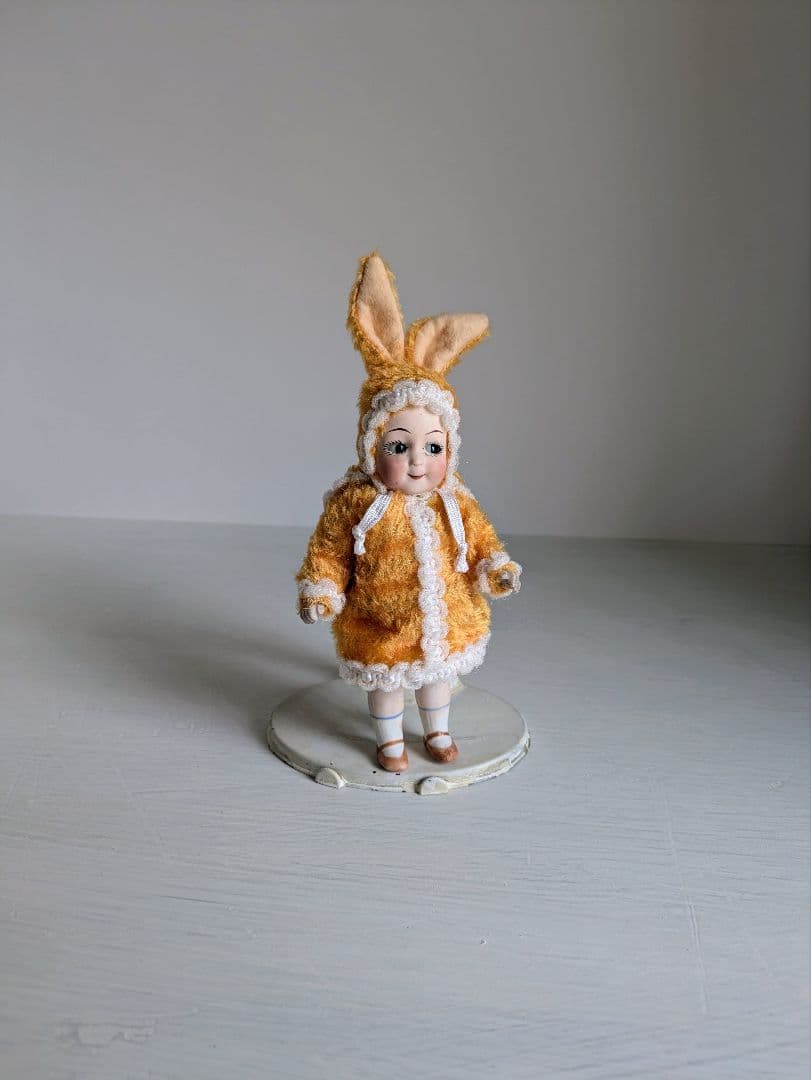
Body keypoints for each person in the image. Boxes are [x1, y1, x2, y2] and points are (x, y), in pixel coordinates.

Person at [296, 253, 521, 773]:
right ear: (371, 445)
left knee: (437, 678)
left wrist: (495, 567)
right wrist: (322, 589)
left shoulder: (454, 499)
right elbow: (328, 552)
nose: (418, 460)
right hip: (381, 621)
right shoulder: (356, 501)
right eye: (399, 446)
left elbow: (481, 539)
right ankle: (390, 741)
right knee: (387, 681)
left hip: (447, 621)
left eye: (433, 447)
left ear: (450, 448)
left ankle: (438, 731)